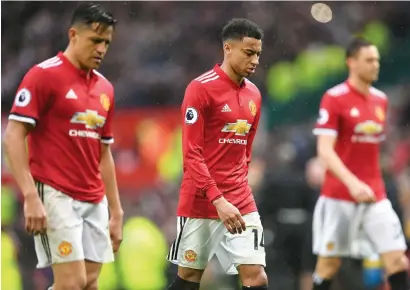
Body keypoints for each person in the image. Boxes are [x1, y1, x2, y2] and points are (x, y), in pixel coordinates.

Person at [3, 3, 123, 290]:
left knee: (90, 283)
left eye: (106, 42)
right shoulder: (44, 75)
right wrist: (31, 195)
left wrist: (116, 211)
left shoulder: (105, 89)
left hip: (94, 199)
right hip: (56, 194)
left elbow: (103, 152)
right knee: (72, 283)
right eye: (95, 41)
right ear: (73, 35)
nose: (101, 49)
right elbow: (13, 135)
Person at [166, 18, 268, 290]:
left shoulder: (254, 95)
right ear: (228, 48)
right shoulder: (200, 88)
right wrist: (218, 199)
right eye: (249, 52)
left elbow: (245, 149)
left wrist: (237, 188)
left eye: (258, 53)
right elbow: (191, 154)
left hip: (240, 199)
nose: (255, 60)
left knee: (256, 276)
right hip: (201, 200)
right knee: (189, 279)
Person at [311, 37, 409, 290]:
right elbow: (324, 151)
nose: (375, 65)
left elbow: (371, 150)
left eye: (376, 59)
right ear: (351, 63)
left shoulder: (381, 100)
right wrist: (353, 182)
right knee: (329, 265)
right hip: (339, 196)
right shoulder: (334, 98)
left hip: (374, 194)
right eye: (368, 60)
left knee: (397, 259)